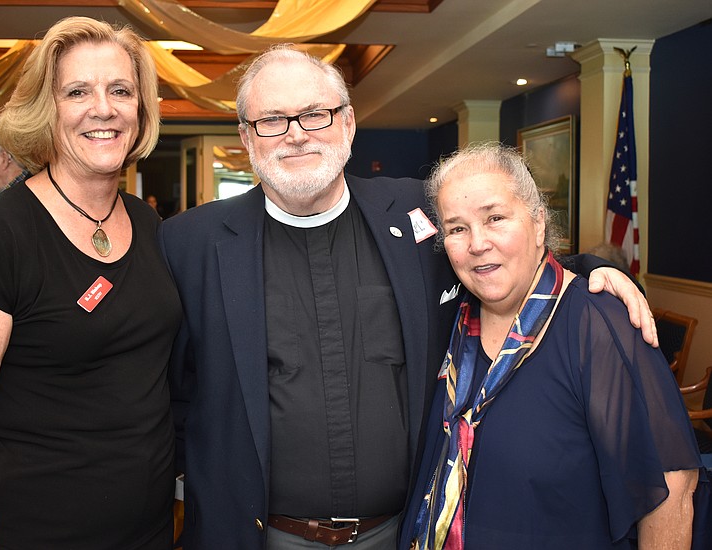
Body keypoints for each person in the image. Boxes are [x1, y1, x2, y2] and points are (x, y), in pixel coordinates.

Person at [158, 45, 657, 549]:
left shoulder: (419, 211)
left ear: (348, 124)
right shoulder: (189, 244)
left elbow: (495, 253)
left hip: (406, 532)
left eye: (314, 113)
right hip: (257, 537)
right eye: (272, 120)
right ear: (246, 136)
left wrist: (592, 271)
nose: (296, 133)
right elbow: (167, 391)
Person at [0, 16, 181, 550]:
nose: (103, 108)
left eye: (120, 90)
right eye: (77, 91)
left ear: (140, 108)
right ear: (45, 109)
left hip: (148, 534)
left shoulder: (151, 228)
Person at [403, 143, 700, 550]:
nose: (477, 243)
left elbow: (671, 488)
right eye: (457, 228)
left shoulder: (599, 324)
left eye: (495, 218)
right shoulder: (451, 315)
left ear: (539, 222)